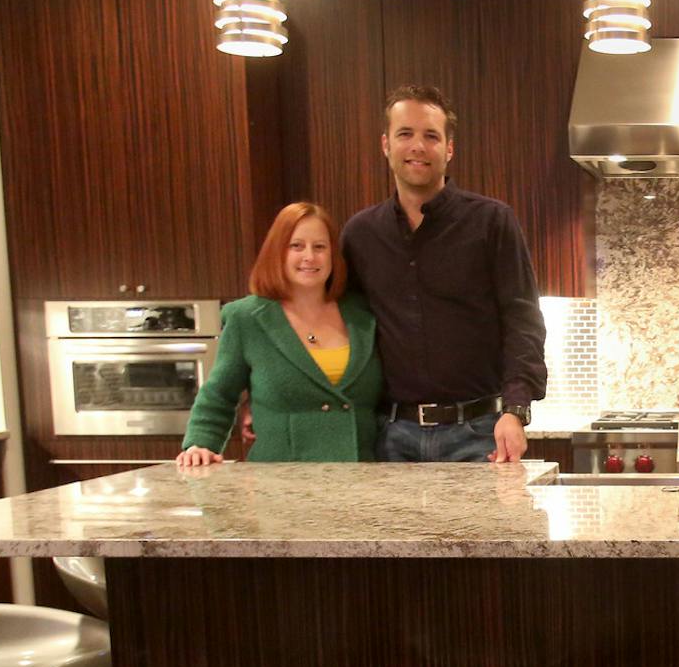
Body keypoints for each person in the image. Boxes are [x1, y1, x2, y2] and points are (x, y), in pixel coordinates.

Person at [339, 83, 547, 463]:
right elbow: (334, 326)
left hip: (479, 434)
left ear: (449, 149)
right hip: (390, 438)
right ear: (386, 144)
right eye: (405, 134)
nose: (417, 146)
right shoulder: (360, 234)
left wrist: (515, 410)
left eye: (430, 136)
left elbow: (523, 321)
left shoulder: (491, 222)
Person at [177, 202, 380, 465]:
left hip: (360, 481)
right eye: (296, 246)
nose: (309, 256)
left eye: (320, 247)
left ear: (333, 255)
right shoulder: (247, 318)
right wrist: (200, 444)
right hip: (279, 482)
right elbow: (219, 394)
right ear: (277, 252)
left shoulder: (363, 314)